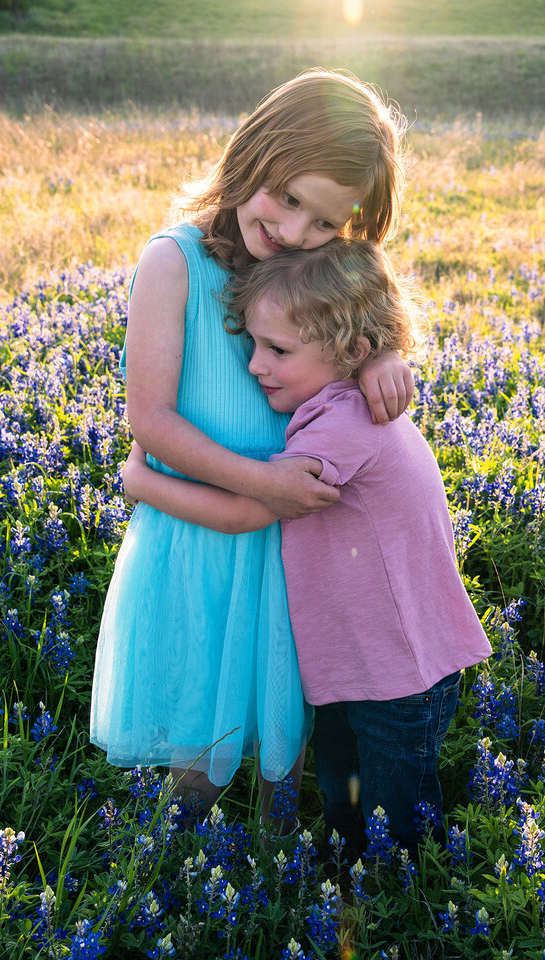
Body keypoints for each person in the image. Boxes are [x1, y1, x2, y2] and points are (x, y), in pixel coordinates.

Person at [90, 68, 415, 827]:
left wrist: (381, 354)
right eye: (289, 198)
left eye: (326, 224)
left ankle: (276, 865)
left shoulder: (310, 271)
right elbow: (153, 422)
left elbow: (347, 330)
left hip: (295, 544)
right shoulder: (171, 262)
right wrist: (260, 486)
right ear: (255, 153)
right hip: (205, 534)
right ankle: (178, 878)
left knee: (285, 736)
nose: (296, 232)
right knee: (199, 751)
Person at [121, 239, 492, 858]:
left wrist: (143, 483)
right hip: (363, 662)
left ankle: (405, 911)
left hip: (399, 673)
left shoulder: (344, 427)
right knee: (347, 803)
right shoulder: (341, 401)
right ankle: (346, 890)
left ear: (351, 351)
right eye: (254, 344)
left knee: (397, 820)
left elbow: (246, 513)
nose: (255, 365)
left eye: (277, 350)